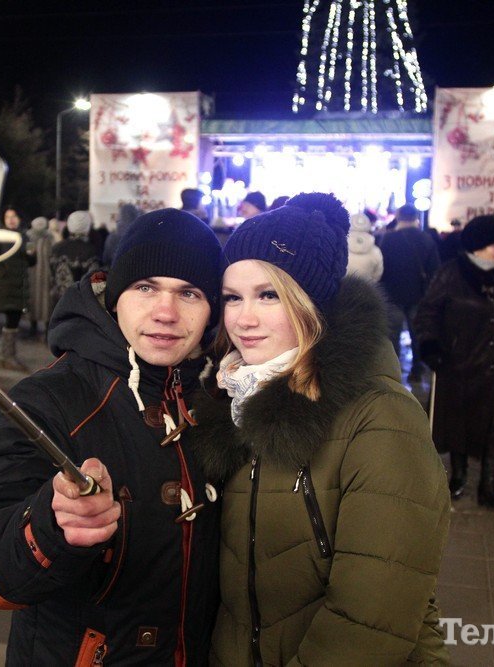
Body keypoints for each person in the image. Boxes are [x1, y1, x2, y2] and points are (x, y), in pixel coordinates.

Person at [0, 209, 224, 665]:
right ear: (114, 296)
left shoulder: (224, 395)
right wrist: (49, 525)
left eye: (189, 293)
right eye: (145, 287)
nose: (166, 312)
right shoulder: (49, 398)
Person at [191, 193, 449, 665]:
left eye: (269, 295)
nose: (244, 319)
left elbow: (370, 621)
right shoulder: (235, 398)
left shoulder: (380, 417)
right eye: (232, 297)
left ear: (312, 303)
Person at [414, 215, 494, 510]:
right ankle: (459, 477)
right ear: (478, 246)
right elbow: (428, 312)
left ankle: (490, 486)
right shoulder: (451, 273)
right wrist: (430, 346)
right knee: (459, 424)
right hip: (460, 366)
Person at [379, 203, 441, 380]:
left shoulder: (388, 239)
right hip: (419, 294)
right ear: (415, 218)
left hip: (392, 293)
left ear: (398, 217)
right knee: (417, 334)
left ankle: (393, 373)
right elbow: (435, 269)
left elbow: (382, 268)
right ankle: (417, 369)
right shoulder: (426, 239)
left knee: (393, 335)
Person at [0, 207, 36, 370]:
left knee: (14, 319)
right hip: (6, 284)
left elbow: (32, 261)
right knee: (12, 319)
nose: (11, 219)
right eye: (7, 217)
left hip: (19, 284)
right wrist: (1, 274)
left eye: (14, 216)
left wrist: (32, 253)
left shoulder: (25, 237)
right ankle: (7, 357)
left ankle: (7, 356)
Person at [50, 209, 100, 309]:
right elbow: (94, 282)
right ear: (87, 227)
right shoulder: (91, 250)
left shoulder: (56, 248)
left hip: (58, 304)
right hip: (81, 306)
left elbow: (50, 276)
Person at [26, 216, 54, 338]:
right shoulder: (47, 238)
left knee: (42, 300)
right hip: (38, 273)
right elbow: (29, 255)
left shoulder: (47, 238)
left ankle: (41, 327)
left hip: (40, 274)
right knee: (40, 300)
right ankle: (37, 327)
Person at [345, 211, 383, 282]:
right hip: (367, 287)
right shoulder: (376, 251)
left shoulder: (339, 248)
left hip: (341, 287)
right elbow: (377, 274)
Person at [102, 203, 141, 268]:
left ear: (121, 215)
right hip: (136, 271)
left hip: (115, 270)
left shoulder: (113, 237)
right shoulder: (141, 235)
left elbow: (106, 259)